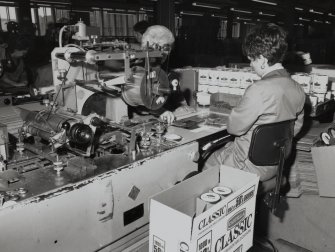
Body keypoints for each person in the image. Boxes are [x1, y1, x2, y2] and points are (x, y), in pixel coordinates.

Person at [204, 23, 306, 182]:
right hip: (276, 164)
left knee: (206, 163)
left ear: (263, 60)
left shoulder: (258, 89)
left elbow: (234, 129)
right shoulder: (298, 89)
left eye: (252, 60)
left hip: (246, 165)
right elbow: (295, 129)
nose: (250, 64)